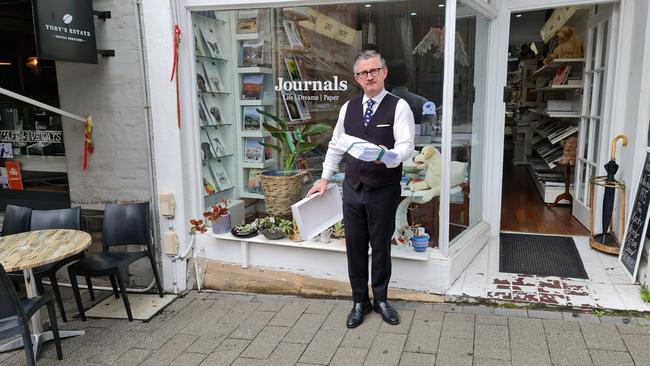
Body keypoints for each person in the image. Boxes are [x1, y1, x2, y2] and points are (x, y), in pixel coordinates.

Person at [307, 50, 415, 328]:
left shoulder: (399, 106)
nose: (370, 76)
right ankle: (359, 301)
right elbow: (335, 145)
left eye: (374, 70)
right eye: (364, 73)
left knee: (380, 247)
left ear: (384, 72)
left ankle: (380, 299)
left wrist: (388, 154)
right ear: (356, 78)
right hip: (353, 187)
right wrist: (324, 177)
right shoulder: (348, 108)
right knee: (354, 246)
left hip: (383, 188)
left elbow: (406, 147)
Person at [386, 59, 430, 125]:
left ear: (387, 79)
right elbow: (431, 126)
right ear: (409, 78)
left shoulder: (380, 103)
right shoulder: (422, 103)